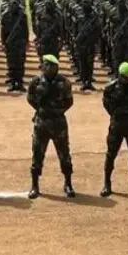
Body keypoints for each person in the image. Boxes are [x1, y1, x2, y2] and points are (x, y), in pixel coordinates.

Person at [26, 55, 76, 199]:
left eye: (51, 65)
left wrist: (57, 111)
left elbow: (69, 101)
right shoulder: (35, 82)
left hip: (58, 123)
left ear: (56, 67)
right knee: (37, 154)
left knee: (64, 154)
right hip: (41, 123)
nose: (48, 68)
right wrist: (42, 110)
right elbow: (30, 98)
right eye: (46, 65)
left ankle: (68, 184)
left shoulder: (64, 82)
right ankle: (35, 185)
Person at [100, 62, 128, 198]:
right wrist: (116, 114)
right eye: (124, 77)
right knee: (111, 154)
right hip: (116, 123)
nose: (126, 80)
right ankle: (107, 184)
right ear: (119, 75)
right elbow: (106, 105)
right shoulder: (110, 88)